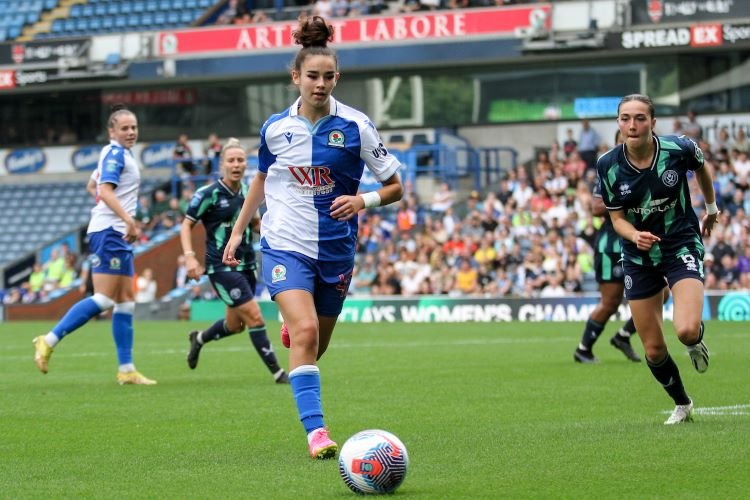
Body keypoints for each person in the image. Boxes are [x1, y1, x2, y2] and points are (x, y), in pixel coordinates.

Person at [222, 16, 404, 459]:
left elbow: (397, 186)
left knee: (314, 347)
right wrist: (239, 229)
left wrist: (364, 202)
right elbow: (262, 181)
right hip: (284, 244)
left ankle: (295, 327)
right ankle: (317, 433)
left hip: (337, 250)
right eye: (311, 76)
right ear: (295, 78)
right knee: (304, 332)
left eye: (327, 77)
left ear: (337, 78)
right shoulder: (275, 129)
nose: (319, 84)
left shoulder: (357, 126)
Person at [597, 94, 717, 424]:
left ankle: (696, 341)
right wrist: (634, 235)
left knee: (687, 330)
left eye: (639, 118)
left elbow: (702, 168)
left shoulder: (679, 149)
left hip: (680, 244)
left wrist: (711, 208)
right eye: (625, 118)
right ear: (618, 123)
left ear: (652, 122)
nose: (632, 125)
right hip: (638, 255)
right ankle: (683, 403)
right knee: (653, 349)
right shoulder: (607, 164)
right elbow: (617, 218)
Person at [33, 105, 156, 385]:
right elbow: (103, 190)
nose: (131, 132)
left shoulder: (117, 154)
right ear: (111, 131)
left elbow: (93, 186)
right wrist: (127, 219)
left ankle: (126, 370)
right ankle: (48, 340)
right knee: (104, 299)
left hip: (113, 231)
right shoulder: (115, 153)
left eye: (134, 127)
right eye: (124, 128)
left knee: (126, 302)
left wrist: (114, 212)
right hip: (111, 232)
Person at [180, 138, 289, 384]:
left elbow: (255, 225)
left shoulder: (249, 193)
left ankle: (199, 339)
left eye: (241, 160)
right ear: (222, 165)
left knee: (236, 324)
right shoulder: (208, 194)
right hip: (221, 267)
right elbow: (186, 225)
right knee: (255, 316)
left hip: (248, 264)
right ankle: (278, 373)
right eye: (231, 160)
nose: (236, 164)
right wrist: (189, 258)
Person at [575, 130, 666, 364]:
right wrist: (630, 198)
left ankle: (623, 335)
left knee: (661, 294)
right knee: (611, 301)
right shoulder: (609, 170)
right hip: (612, 245)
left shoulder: (650, 169)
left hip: (640, 243)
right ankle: (583, 349)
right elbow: (596, 208)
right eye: (623, 139)